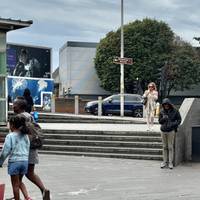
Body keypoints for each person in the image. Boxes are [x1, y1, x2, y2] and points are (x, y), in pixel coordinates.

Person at [13, 98, 50, 200]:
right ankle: (43, 190)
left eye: (15, 104)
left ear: (20, 107)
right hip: (33, 149)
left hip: (24, 151)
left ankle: (19, 195)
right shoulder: (29, 116)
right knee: (30, 173)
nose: (13, 106)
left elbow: (16, 135)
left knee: (17, 178)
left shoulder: (19, 118)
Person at [0, 115, 31, 200]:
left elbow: (5, 151)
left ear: (12, 125)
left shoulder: (10, 136)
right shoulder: (25, 136)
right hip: (24, 162)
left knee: (15, 185)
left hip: (14, 162)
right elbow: (27, 148)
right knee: (19, 182)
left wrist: (0, 162)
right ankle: (27, 198)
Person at [159, 98, 182, 169]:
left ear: (169, 104)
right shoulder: (162, 111)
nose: (166, 106)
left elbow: (179, 120)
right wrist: (163, 119)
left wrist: (173, 124)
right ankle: (164, 162)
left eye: (167, 104)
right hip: (163, 130)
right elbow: (160, 121)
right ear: (163, 105)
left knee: (170, 147)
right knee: (164, 147)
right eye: (164, 104)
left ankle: (170, 163)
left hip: (171, 131)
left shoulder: (175, 111)